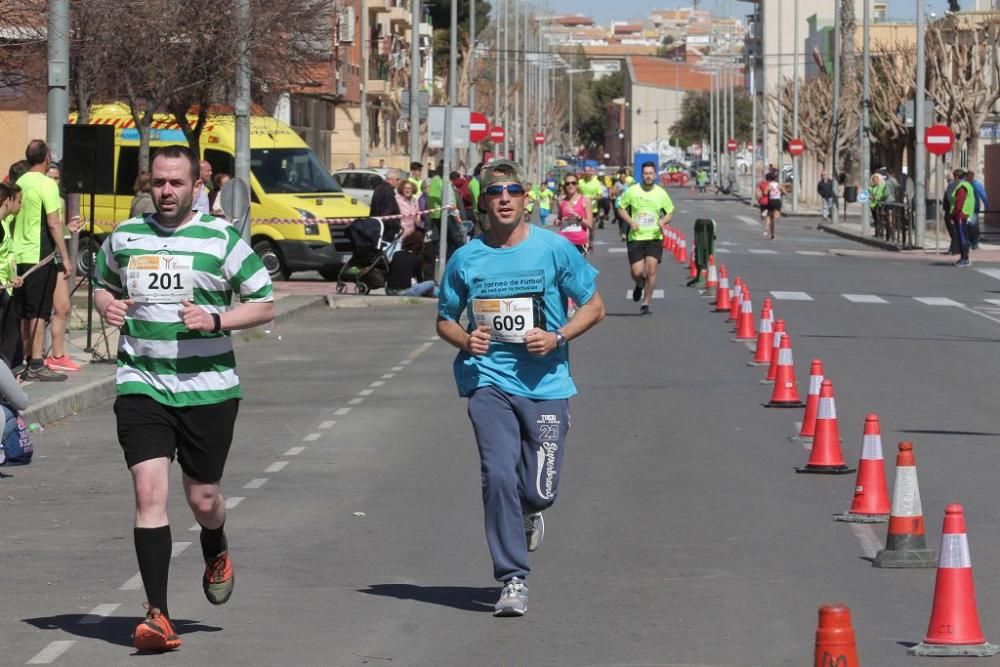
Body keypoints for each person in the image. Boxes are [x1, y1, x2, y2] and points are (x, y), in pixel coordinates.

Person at [93, 144, 275, 652]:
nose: (166, 191)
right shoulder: (126, 236)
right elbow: (102, 283)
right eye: (157, 182)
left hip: (208, 388)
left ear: (198, 186)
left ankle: (214, 543)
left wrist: (215, 319)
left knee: (203, 498)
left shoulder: (220, 239)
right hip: (142, 382)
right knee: (149, 493)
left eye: (176, 182)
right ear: (147, 185)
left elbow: (264, 304)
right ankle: (158, 615)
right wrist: (109, 306)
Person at [436, 158, 605, 617]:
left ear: (525, 198)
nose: (505, 198)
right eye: (495, 191)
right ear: (484, 201)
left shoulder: (553, 250)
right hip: (488, 380)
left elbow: (594, 307)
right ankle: (512, 577)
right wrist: (466, 339)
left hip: (548, 383)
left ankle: (530, 513)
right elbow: (445, 320)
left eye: (513, 189)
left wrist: (558, 336)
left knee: (539, 489)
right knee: (498, 473)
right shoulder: (466, 257)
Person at [12, 140, 71, 381]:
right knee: (38, 311)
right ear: (46, 157)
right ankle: (36, 362)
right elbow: (53, 222)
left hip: (19, 253)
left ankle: (25, 359)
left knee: (25, 311)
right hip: (40, 254)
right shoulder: (46, 184)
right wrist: (65, 256)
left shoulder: (19, 181)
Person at [616, 161, 674, 315]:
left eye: (651, 173)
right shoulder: (632, 191)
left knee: (652, 270)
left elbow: (669, 212)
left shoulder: (661, 193)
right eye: (646, 173)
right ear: (641, 175)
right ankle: (639, 284)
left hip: (654, 236)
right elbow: (621, 208)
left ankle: (646, 302)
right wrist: (630, 221)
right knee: (637, 272)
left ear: (655, 175)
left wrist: (663, 221)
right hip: (636, 236)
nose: (648, 176)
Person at [44, 161, 82, 373]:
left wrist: (68, 229)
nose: (53, 182)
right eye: (49, 177)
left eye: (56, 178)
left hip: (58, 257)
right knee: (45, 310)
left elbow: (57, 229)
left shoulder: (59, 200)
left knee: (63, 307)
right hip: (45, 257)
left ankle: (57, 354)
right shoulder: (41, 199)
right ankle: (41, 355)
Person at [0, 183, 24, 368]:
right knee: (9, 336)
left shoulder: (4, 223)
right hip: (1, 288)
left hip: (5, 286)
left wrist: (12, 277)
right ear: (7, 200)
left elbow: (7, 257)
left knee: (11, 335)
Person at [555, 174, 593, 253]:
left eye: (573, 183)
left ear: (577, 185)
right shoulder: (561, 201)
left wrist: (578, 218)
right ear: (565, 186)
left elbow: (590, 224)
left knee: (577, 265)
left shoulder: (585, 200)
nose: (570, 185)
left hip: (579, 241)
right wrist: (557, 221)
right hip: (563, 240)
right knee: (564, 265)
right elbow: (558, 219)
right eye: (567, 183)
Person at [951, 169, 974, 267]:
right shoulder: (968, 185)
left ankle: (965, 259)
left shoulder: (962, 187)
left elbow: (959, 203)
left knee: (962, 237)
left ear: (956, 177)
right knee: (963, 236)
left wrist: (953, 214)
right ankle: (964, 257)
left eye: (954, 177)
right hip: (965, 214)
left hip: (960, 214)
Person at [967, 169, 989, 251]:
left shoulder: (975, 184)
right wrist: (987, 205)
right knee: (971, 226)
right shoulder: (975, 184)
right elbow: (983, 195)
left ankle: (973, 243)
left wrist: (987, 205)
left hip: (972, 208)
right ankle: (973, 243)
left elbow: (983, 195)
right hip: (970, 208)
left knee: (971, 225)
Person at [577, 165, 603, 230]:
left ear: (592, 172)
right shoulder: (580, 182)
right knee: (582, 227)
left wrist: (592, 198)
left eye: (589, 171)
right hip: (582, 207)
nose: (587, 172)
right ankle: (585, 239)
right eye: (585, 171)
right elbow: (576, 193)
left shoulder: (596, 182)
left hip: (593, 208)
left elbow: (600, 196)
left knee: (591, 227)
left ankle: (590, 239)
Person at [764, 172, 782, 239]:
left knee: (769, 216)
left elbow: (765, 193)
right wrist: (780, 192)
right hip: (777, 201)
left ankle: (768, 227)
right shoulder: (778, 185)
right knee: (777, 215)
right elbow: (785, 191)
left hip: (771, 201)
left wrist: (770, 191)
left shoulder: (769, 185)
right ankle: (775, 216)